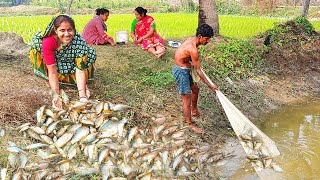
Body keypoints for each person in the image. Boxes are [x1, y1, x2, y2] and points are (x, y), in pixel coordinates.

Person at [29, 14, 96, 109]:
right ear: (56, 31)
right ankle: (49, 80)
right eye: (62, 30)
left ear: (74, 30)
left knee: (90, 53)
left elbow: (80, 70)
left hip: (67, 62)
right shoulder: (48, 42)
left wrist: (82, 97)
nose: (67, 34)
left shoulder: (78, 42)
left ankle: (82, 85)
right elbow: (52, 71)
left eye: (70, 30)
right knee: (35, 50)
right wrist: (56, 96)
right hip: (54, 61)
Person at [173, 24, 218, 134]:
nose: (208, 41)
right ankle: (189, 124)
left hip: (186, 69)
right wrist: (210, 85)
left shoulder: (193, 40)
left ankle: (194, 110)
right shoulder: (193, 49)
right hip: (181, 71)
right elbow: (198, 70)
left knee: (195, 89)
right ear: (200, 36)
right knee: (186, 98)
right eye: (206, 39)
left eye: (209, 39)